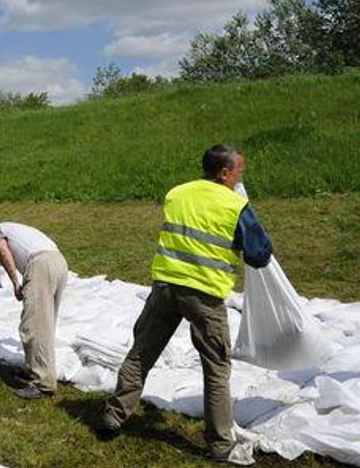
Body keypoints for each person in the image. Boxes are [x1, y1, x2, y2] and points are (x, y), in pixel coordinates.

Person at [97, 144, 272, 466]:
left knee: (141, 354)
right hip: (204, 295)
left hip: (165, 287)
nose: (240, 177)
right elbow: (260, 254)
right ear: (224, 172)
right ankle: (219, 444)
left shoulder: (177, 193)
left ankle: (113, 416)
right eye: (238, 171)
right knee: (217, 368)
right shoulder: (236, 205)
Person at [0, 222, 68, 399]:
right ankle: (37, 370)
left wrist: (16, 282)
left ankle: (43, 383)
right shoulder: (24, 230)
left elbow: (3, 251)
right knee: (45, 324)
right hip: (60, 262)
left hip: (41, 263)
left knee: (33, 326)